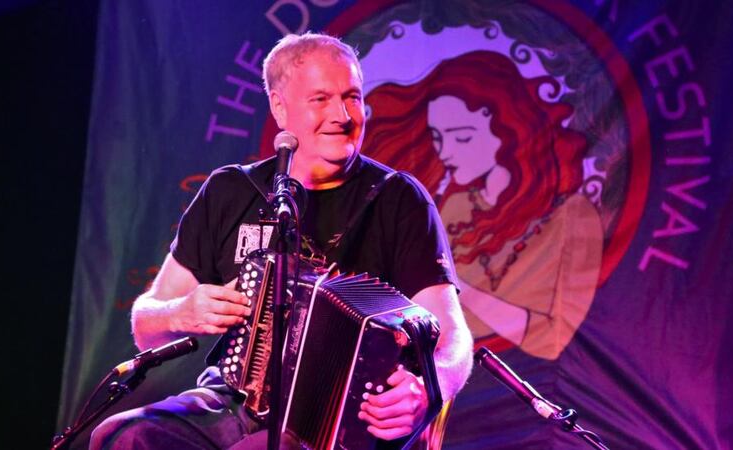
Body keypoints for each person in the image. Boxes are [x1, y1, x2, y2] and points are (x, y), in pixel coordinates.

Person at [89, 33, 473, 449]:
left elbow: (454, 339)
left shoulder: (397, 198)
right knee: (121, 436)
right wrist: (180, 312)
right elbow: (147, 323)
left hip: (342, 415)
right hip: (232, 401)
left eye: (352, 97)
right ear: (279, 107)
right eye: (321, 99)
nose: (343, 115)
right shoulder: (231, 191)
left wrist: (427, 389)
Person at [363, 50, 603, 360]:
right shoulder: (456, 205)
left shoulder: (573, 216)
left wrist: (452, 288)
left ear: (509, 130)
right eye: (437, 137)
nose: (445, 153)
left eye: (462, 138)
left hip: (521, 383)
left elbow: (551, 339)